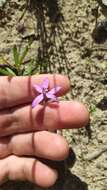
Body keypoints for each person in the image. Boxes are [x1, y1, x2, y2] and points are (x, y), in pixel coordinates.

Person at [0, 74, 89, 187]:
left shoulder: (48, 95)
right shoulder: (40, 97)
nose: (44, 91)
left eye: (45, 91)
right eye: (43, 91)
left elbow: (52, 95)